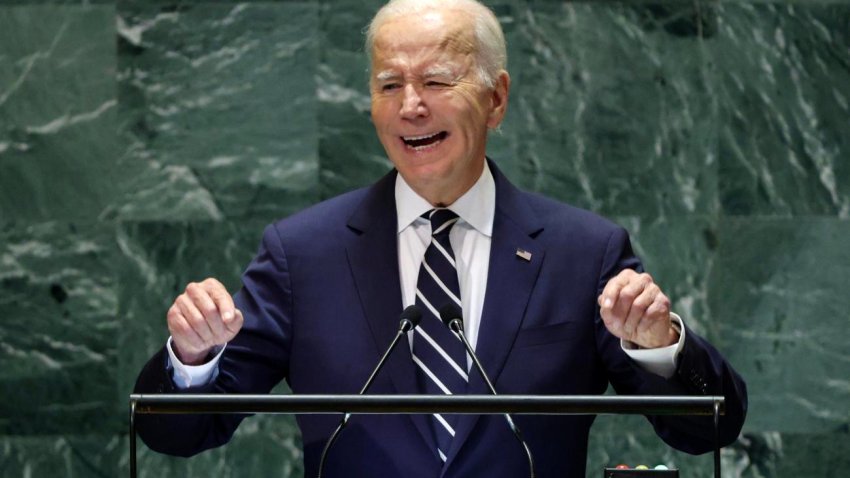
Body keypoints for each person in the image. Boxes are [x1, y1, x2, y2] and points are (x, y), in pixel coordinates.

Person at [134, 1, 747, 476]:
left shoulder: (583, 252)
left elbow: (707, 430)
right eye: (389, 85)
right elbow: (177, 433)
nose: (411, 107)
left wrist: (660, 346)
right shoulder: (305, 254)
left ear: (496, 98)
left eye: (436, 81)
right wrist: (191, 359)